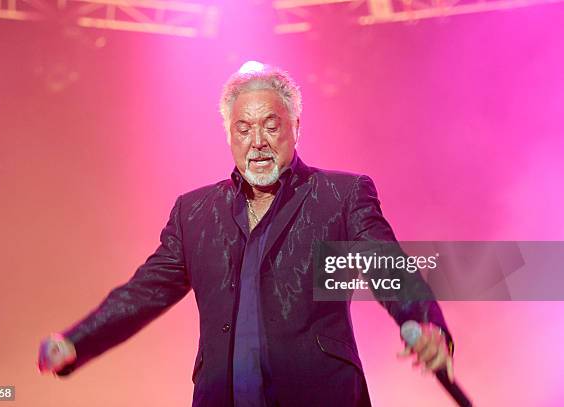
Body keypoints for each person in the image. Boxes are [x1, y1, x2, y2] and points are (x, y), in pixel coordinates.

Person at [38, 63, 455, 407]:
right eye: (244, 129)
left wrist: (423, 321)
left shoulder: (340, 196)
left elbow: (389, 269)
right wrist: (77, 341)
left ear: (296, 127)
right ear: (229, 134)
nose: (257, 142)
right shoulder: (195, 212)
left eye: (271, 126)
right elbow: (145, 291)